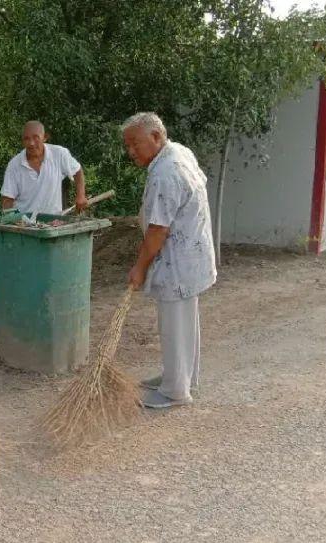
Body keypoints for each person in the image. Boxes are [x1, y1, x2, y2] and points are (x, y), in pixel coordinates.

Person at [122, 112, 217, 409]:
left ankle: (176, 391)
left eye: (135, 143)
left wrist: (139, 267)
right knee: (184, 322)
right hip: (191, 255)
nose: (131, 151)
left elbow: (158, 229)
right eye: (128, 146)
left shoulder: (166, 172)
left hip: (177, 262)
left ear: (156, 137)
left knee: (174, 324)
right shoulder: (179, 153)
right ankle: (180, 377)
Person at [0, 120, 88, 214]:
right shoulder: (14, 165)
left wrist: (81, 195)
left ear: (45, 137)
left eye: (36, 137)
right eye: (26, 139)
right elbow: (7, 199)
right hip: (23, 223)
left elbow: (77, 171)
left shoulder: (59, 154)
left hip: (53, 222)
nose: (31, 143)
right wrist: (10, 221)